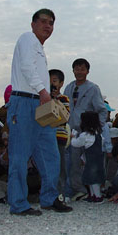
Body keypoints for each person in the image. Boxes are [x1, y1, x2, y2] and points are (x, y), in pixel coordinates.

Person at [6, 8, 72, 216]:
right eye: (43, 21)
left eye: (51, 23)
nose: (47, 26)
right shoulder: (27, 39)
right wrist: (44, 91)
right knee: (19, 155)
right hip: (25, 102)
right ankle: (18, 204)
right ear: (33, 24)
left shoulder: (40, 49)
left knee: (50, 152)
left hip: (40, 103)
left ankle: (49, 198)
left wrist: (44, 95)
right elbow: (26, 67)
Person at [64, 58, 111, 202]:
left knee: (92, 162)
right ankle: (78, 189)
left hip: (88, 132)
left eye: (82, 69)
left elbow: (102, 110)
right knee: (72, 162)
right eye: (76, 69)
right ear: (73, 70)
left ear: (88, 71)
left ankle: (95, 192)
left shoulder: (93, 88)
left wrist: (96, 128)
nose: (79, 72)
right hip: (72, 130)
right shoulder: (69, 88)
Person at [70, 111, 106, 203]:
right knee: (95, 179)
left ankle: (97, 196)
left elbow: (75, 144)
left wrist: (73, 137)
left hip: (90, 162)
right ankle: (94, 195)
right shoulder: (98, 134)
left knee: (92, 179)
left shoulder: (85, 135)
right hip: (98, 160)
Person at [49, 68, 72, 201]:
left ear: (61, 83)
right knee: (49, 166)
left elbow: (65, 116)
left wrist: (54, 98)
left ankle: (61, 193)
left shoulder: (63, 98)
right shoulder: (43, 97)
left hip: (59, 137)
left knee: (60, 166)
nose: (51, 83)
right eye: (49, 81)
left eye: (54, 81)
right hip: (46, 137)